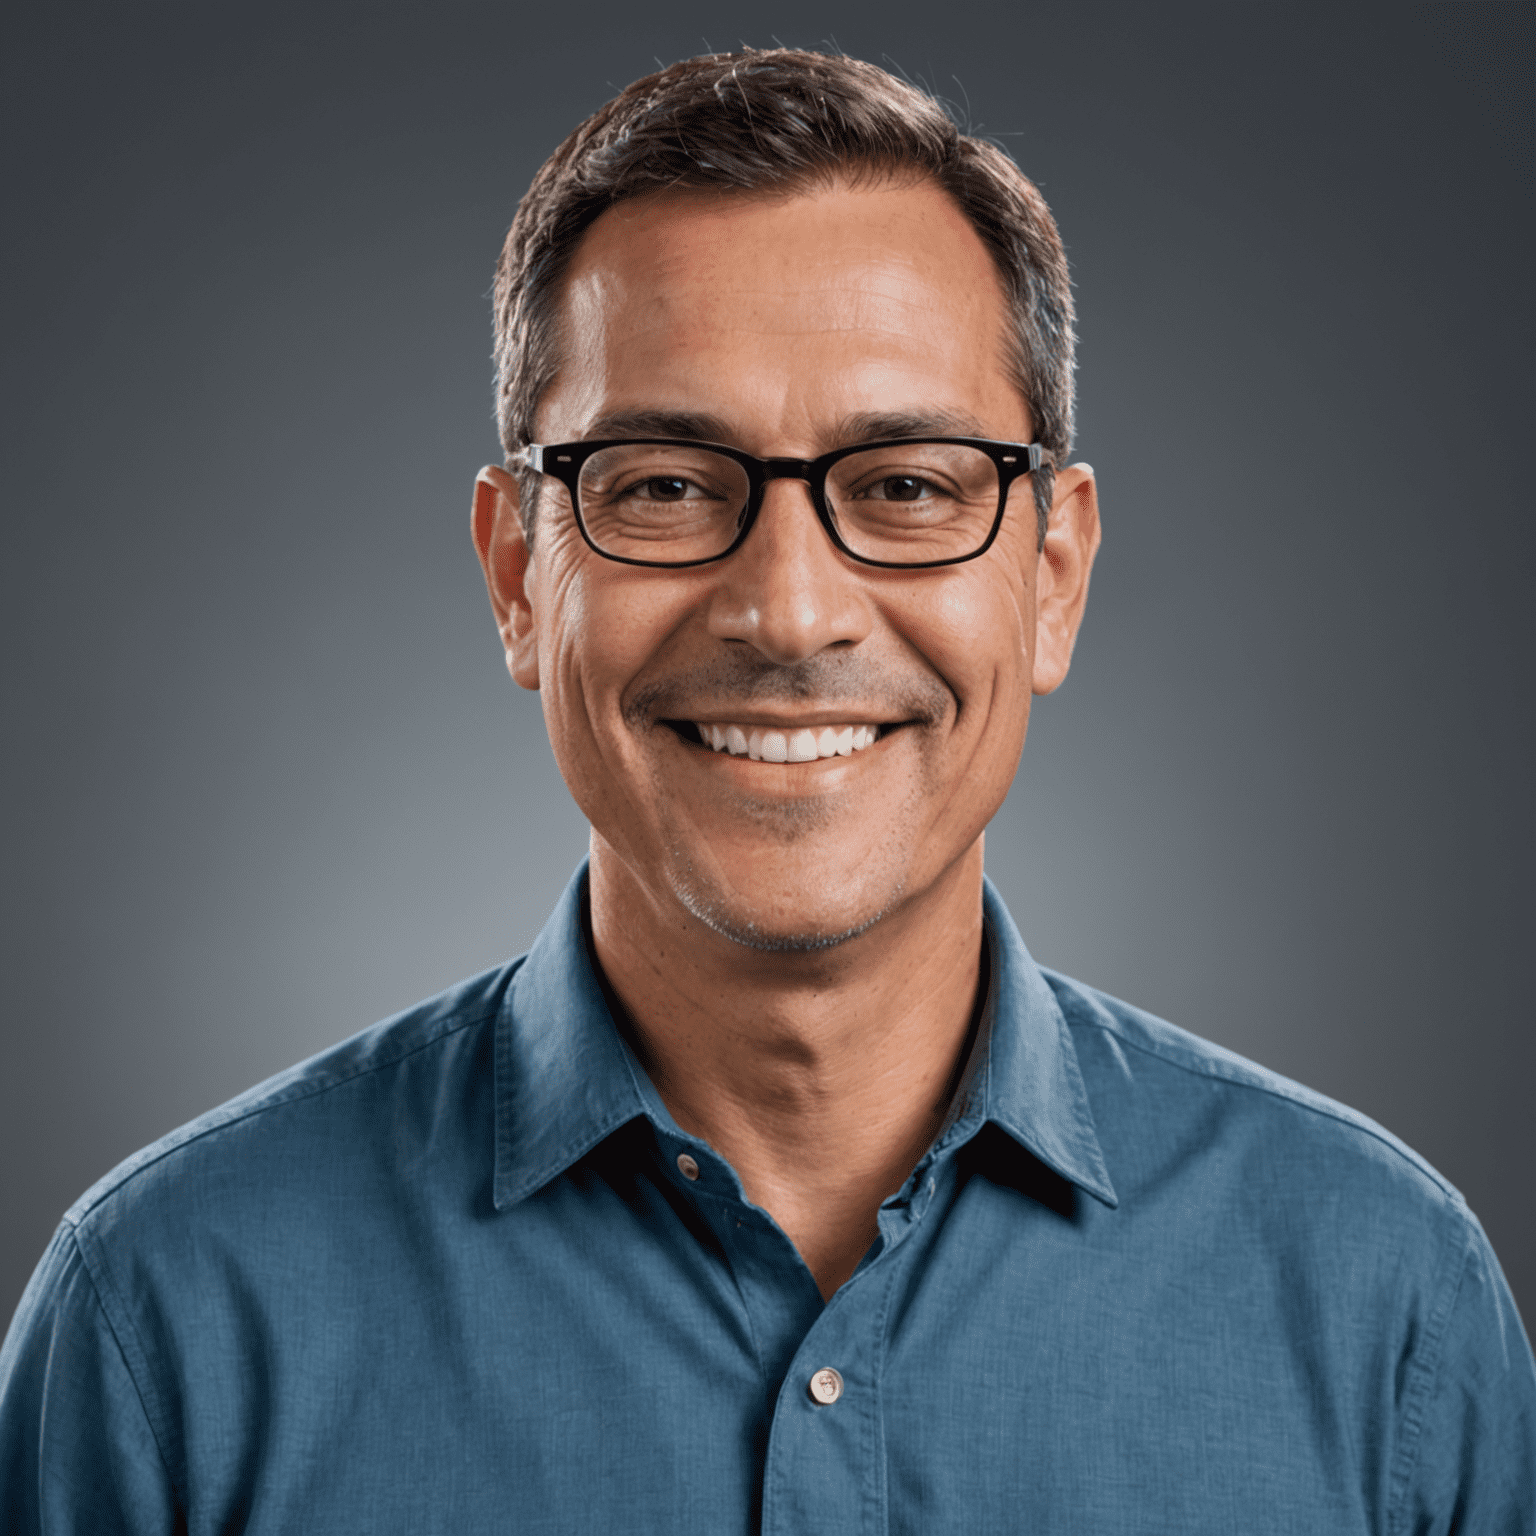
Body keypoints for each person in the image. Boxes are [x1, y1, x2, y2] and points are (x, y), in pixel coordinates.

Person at [1, 47, 1531, 1534]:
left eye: (910, 486)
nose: (790, 612)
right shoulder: (164, 1323)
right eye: (664, 483)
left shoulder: (1383, 1307)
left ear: (1053, 575)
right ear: (518, 577)